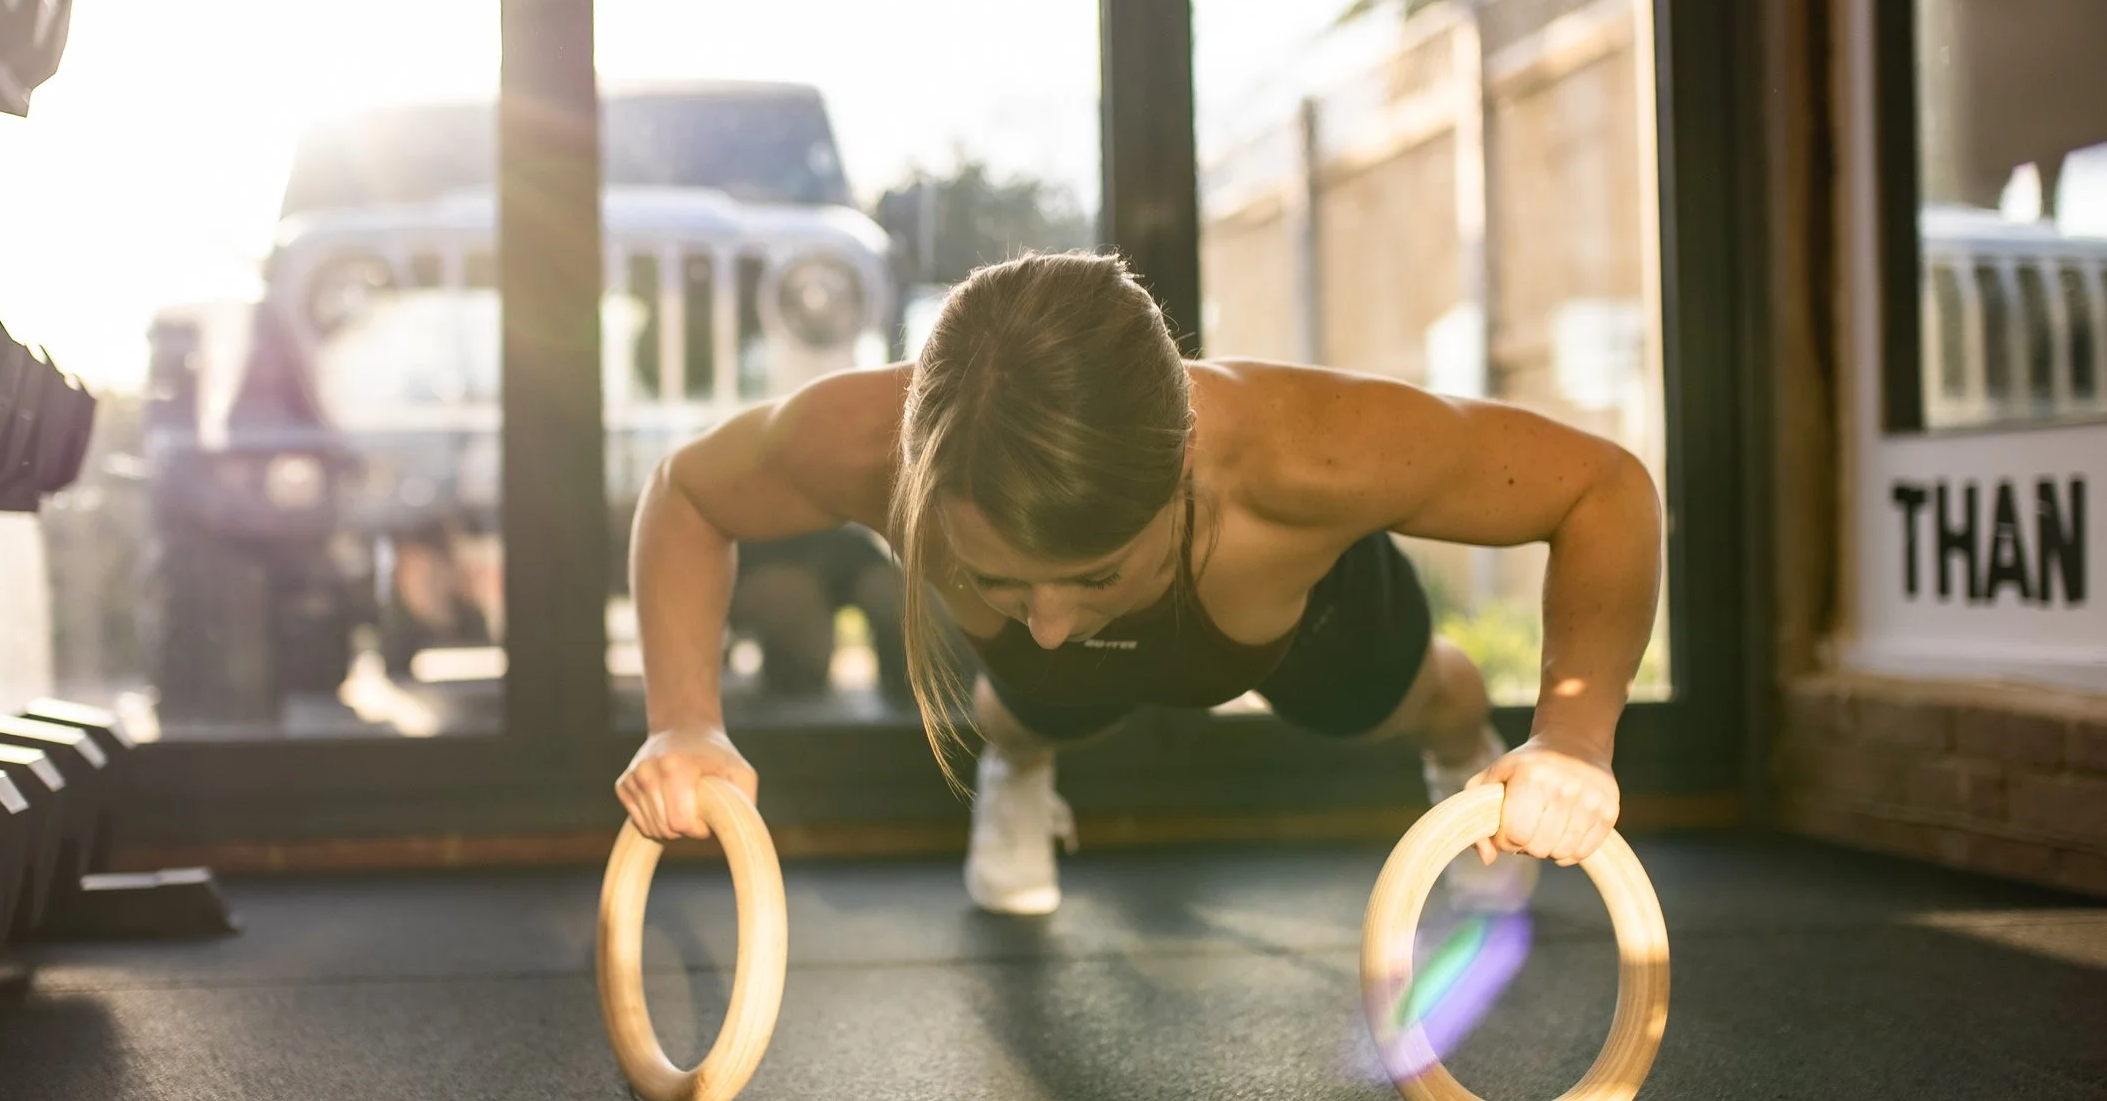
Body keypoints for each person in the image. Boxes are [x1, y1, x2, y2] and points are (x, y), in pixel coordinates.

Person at [615, 252, 1660, 915]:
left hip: (1294, 616)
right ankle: (1017, 772)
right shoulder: (853, 443)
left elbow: (1602, 491)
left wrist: (1571, 734)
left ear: (1184, 462)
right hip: (1038, 665)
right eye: (1002, 576)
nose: (1056, 621)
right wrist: (683, 721)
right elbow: (688, 494)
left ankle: (1453, 744)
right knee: (1034, 695)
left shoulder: (1318, 452)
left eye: (1092, 573)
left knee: (1409, 698)